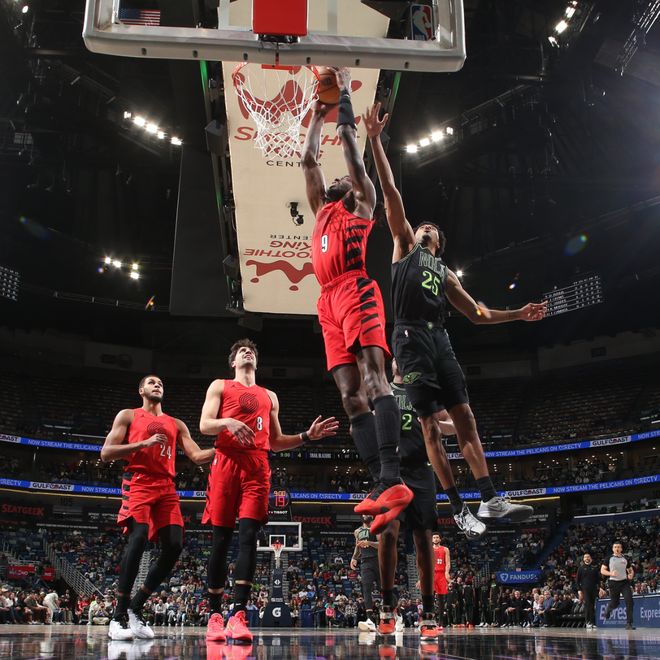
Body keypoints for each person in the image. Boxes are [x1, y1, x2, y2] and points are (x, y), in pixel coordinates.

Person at [363, 102, 546, 525]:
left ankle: (489, 498)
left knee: (465, 416)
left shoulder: (445, 273)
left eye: (431, 227)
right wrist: (375, 140)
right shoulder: (404, 246)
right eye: (422, 225)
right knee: (429, 424)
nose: (424, 226)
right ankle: (457, 506)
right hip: (409, 336)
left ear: (438, 242)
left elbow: (478, 314)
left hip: (439, 338)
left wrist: (518, 314)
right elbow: (390, 192)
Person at [301, 68, 412, 534]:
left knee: (373, 380)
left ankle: (394, 477)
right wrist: (315, 115)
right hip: (327, 302)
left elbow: (349, 145)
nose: (335, 180)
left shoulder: (361, 202)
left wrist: (344, 94)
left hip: (356, 289)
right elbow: (309, 160)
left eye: (341, 179)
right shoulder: (320, 209)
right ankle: (378, 482)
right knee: (349, 397)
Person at [199, 339, 338, 643]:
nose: (247, 352)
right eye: (241, 351)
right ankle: (214, 615)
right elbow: (205, 425)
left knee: (249, 537)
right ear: (233, 362)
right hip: (226, 461)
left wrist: (306, 435)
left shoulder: (269, 395)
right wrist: (228, 422)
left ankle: (238, 614)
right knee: (221, 540)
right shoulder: (220, 385)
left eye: (251, 351)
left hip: (257, 466)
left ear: (257, 362)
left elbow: (275, 441)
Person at [101, 374, 216, 641]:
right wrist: (143, 444)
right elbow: (106, 453)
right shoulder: (128, 415)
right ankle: (118, 616)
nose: (157, 385)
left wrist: (222, 449)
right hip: (139, 481)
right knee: (138, 538)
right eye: (152, 382)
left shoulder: (176, 424)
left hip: (166, 486)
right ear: (141, 389)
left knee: (174, 545)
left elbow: (197, 456)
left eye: (161, 383)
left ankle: (136, 606)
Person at [379, 358, 449, 640]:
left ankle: (428, 612)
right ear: (391, 363)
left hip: (422, 469)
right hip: (392, 469)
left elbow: (450, 424)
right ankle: (387, 605)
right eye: (396, 353)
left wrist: (445, 424)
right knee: (388, 532)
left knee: (423, 538)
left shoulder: (425, 390)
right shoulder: (382, 390)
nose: (401, 357)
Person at [350, 516, 380, 632]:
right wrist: (354, 558)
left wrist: (369, 543)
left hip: (379, 561)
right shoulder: (357, 531)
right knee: (366, 589)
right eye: (363, 513)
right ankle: (370, 620)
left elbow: (381, 544)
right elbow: (357, 546)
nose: (365, 515)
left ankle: (397, 615)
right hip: (365, 562)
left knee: (384, 589)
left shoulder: (377, 527)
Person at [601, 541, 635, 630]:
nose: (617, 548)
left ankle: (629, 623)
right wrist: (611, 573)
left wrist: (631, 574)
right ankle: (608, 609)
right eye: (615, 547)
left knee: (630, 601)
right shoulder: (608, 558)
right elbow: (602, 570)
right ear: (613, 549)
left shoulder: (625, 558)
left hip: (624, 583)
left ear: (621, 549)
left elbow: (630, 570)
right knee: (615, 603)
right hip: (613, 583)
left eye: (619, 547)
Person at [576, 552, 600, 629]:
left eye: (588, 557)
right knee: (588, 605)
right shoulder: (581, 568)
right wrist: (579, 590)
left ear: (591, 558)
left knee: (592, 605)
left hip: (594, 589)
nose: (587, 558)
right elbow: (577, 581)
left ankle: (592, 622)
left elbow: (598, 580)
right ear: (583, 559)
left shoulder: (594, 568)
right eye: (585, 557)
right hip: (585, 589)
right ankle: (588, 622)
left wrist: (600, 588)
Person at [432, 533, 451, 629]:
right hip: (432, 574)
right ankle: (430, 620)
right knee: (429, 598)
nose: (435, 539)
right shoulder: (429, 549)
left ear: (440, 539)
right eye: (434, 537)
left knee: (441, 599)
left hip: (441, 574)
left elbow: (448, 563)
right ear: (432, 540)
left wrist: (447, 572)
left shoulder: (445, 549)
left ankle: (441, 623)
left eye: (437, 537)